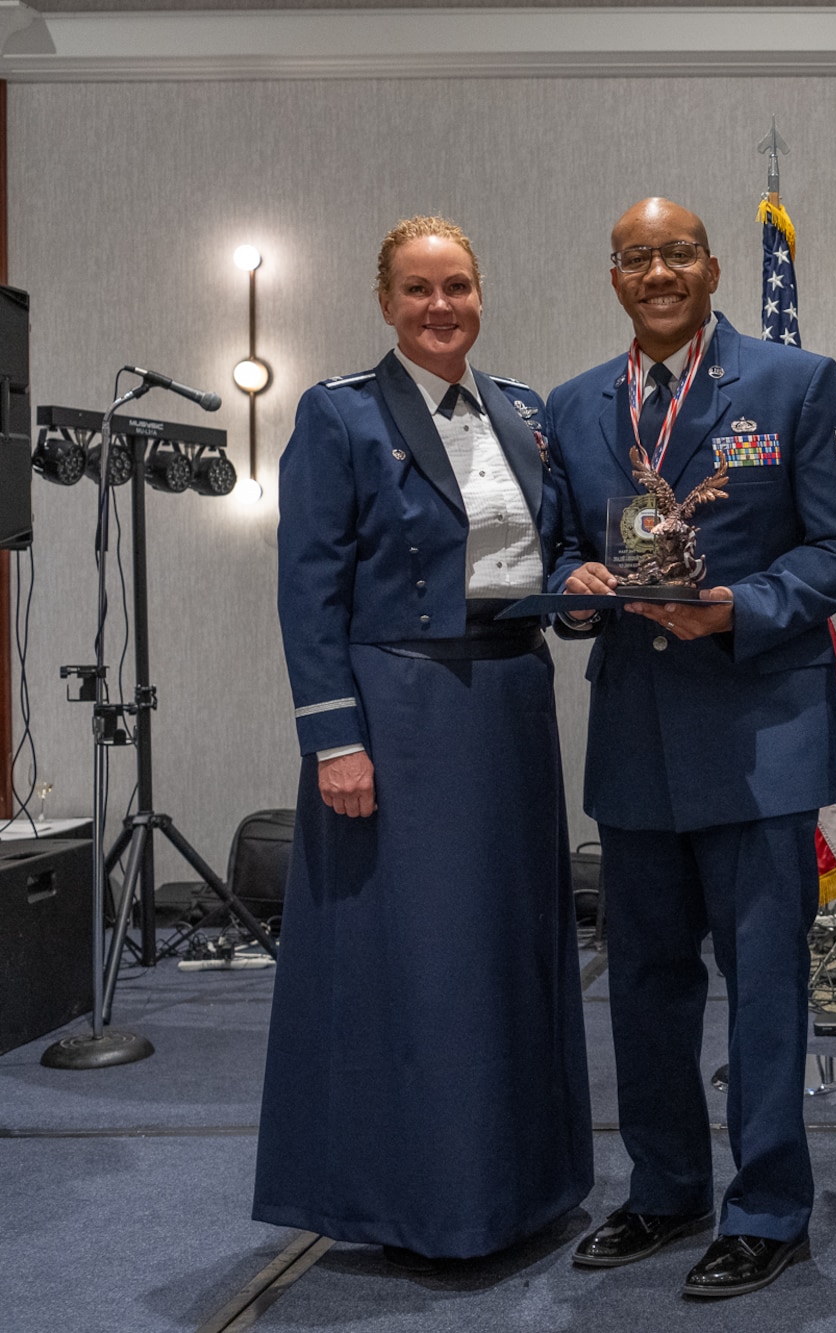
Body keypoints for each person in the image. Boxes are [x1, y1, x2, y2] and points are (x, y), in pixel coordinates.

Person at [541, 198, 836, 1299]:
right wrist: (574, 587)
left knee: (765, 987)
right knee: (643, 984)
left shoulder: (794, 382)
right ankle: (666, 1187)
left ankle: (768, 1205)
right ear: (614, 276)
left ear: (714, 267)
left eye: (677, 254)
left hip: (757, 735)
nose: (658, 272)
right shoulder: (573, 404)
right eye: (636, 257)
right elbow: (555, 549)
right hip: (635, 739)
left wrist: (740, 606)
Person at [259, 216, 591, 1272]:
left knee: (512, 951)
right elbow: (308, 590)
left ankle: (523, 1190)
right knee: (424, 964)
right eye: (417, 289)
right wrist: (334, 740)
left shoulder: (524, 411)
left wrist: (585, 587)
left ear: (480, 294)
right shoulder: (339, 413)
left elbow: (554, 546)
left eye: (456, 286)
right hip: (402, 712)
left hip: (512, 702)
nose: (439, 306)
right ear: (385, 302)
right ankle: (426, 1204)